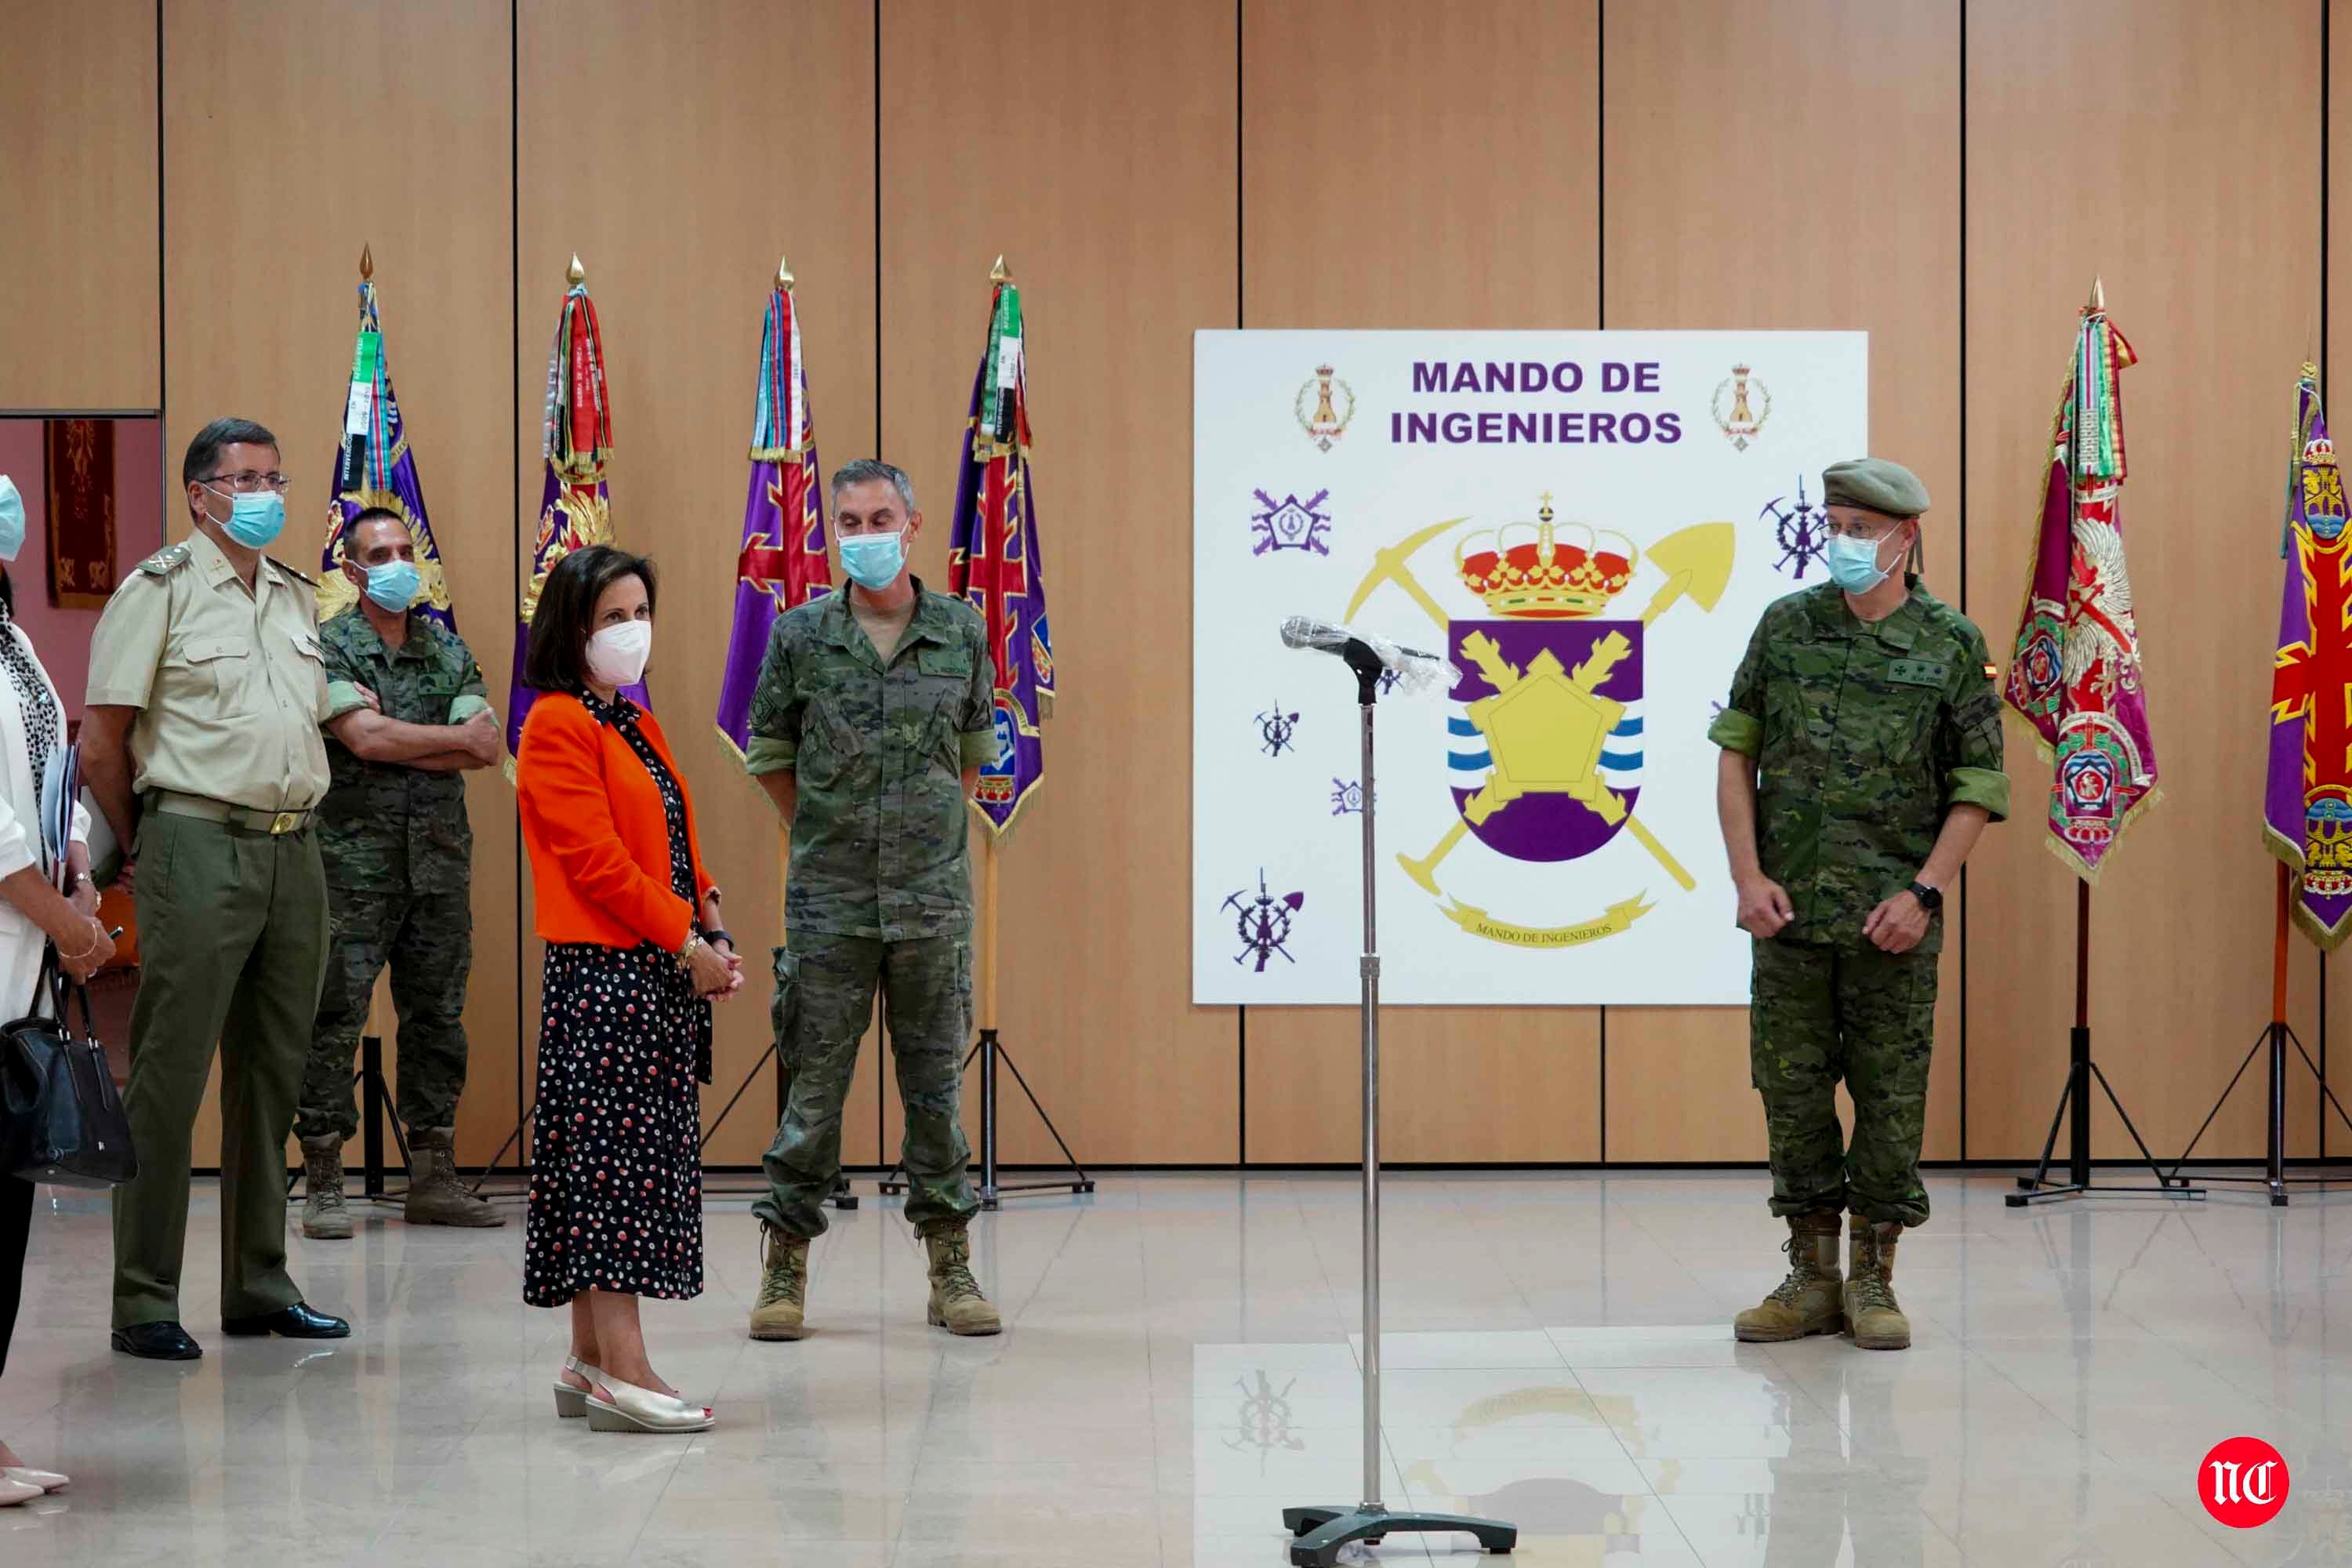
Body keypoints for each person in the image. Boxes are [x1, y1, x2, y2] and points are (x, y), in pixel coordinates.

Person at [1711, 457, 2008, 1352]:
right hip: (1789, 915)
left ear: (1905, 536)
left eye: (1859, 528)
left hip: (1893, 923)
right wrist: (1746, 875)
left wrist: (1925, 891)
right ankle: (1811, 1275)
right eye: (1833, 524)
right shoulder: (1786, 626)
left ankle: (1874, 1277)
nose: (1841, 541)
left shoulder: (1951, 643)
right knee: (1792, 1094)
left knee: (1889, 1098)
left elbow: (1980, 784)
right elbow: (1736, 753)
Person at [82, 418, 350, 1360]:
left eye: (275, 475)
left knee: (274, 1073)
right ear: (200, 494)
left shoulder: (291, 596)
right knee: (168, 1076)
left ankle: (258, 1283)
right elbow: (102, 741)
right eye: (244, 478)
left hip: (295, 850)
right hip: (197, 840)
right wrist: (148, 841)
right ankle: (145, 1294)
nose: (264, 492)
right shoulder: (157, 589)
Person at [742, 459, 1001, 1341]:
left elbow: (968, 759)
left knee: (935, 1090)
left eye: (880, 517)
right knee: (813, 1093)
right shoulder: (799, 634)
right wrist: (833, 832)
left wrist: (915, 834)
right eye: (848, 522)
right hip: (829, 903)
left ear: (913, 523)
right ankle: (785, 1268)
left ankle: (949, 1264)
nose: (865, 535)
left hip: (931, 901)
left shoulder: (962, 631)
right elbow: (771, 756)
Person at [516, 544, 742, 1434]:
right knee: (614, 1173)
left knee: (620, 1162)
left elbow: (674, 838)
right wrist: (685, 940)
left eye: (641, 611)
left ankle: (586, 1360)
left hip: (654, 965)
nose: (632, 630)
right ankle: (626, 1365)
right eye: (613, 616)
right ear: (573, 628)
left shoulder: (632, 721)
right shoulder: (556, 723)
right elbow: (598, 862)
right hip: (605, 973)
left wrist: (712, 924)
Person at [296, 506, 503, 1237]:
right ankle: (323, 1181)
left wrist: (395, 740)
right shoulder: (328, 647)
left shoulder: (448, 650)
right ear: (350, 571)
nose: (395, 563)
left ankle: (434, 1177)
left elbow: (484, 748)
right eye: (378, 553)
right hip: (352, 868)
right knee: (332, 1018)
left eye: (404, 549)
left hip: (439, 867)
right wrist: (424, 739)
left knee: (437, 1021)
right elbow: (360, 736)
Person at [0, 474, 111, 1505]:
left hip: (26, 969)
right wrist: (68, 922)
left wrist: (80, 870)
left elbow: (56, 775)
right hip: (10, 945)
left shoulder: (14, 640)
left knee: (7, 1223)